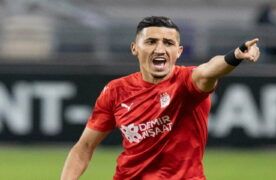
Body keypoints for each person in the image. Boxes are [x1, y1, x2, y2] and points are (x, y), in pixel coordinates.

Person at [61, 16, 260, 180]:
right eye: (151, 41)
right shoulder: (115, 90)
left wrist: (234, 56)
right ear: (134, 48)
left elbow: (209, 69)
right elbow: (84, 147)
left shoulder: (188, 82)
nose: (159, 49)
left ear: (178, 51)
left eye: (168, 43)